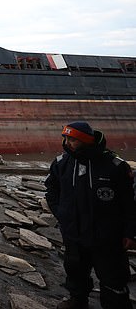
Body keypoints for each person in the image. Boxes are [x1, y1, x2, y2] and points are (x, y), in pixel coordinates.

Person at [45, 121, 136, 309]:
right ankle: (77, 300)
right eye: (66, 138)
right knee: (75, 269)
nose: (68, 143)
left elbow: (130, 203)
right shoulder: (62, 163)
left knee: (113, 276)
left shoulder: (115, 166)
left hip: (106, 235)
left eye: (73, 139)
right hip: (74, 233)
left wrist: (130, 232)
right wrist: (61, 213)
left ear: (86, 141)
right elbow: (51, 190)